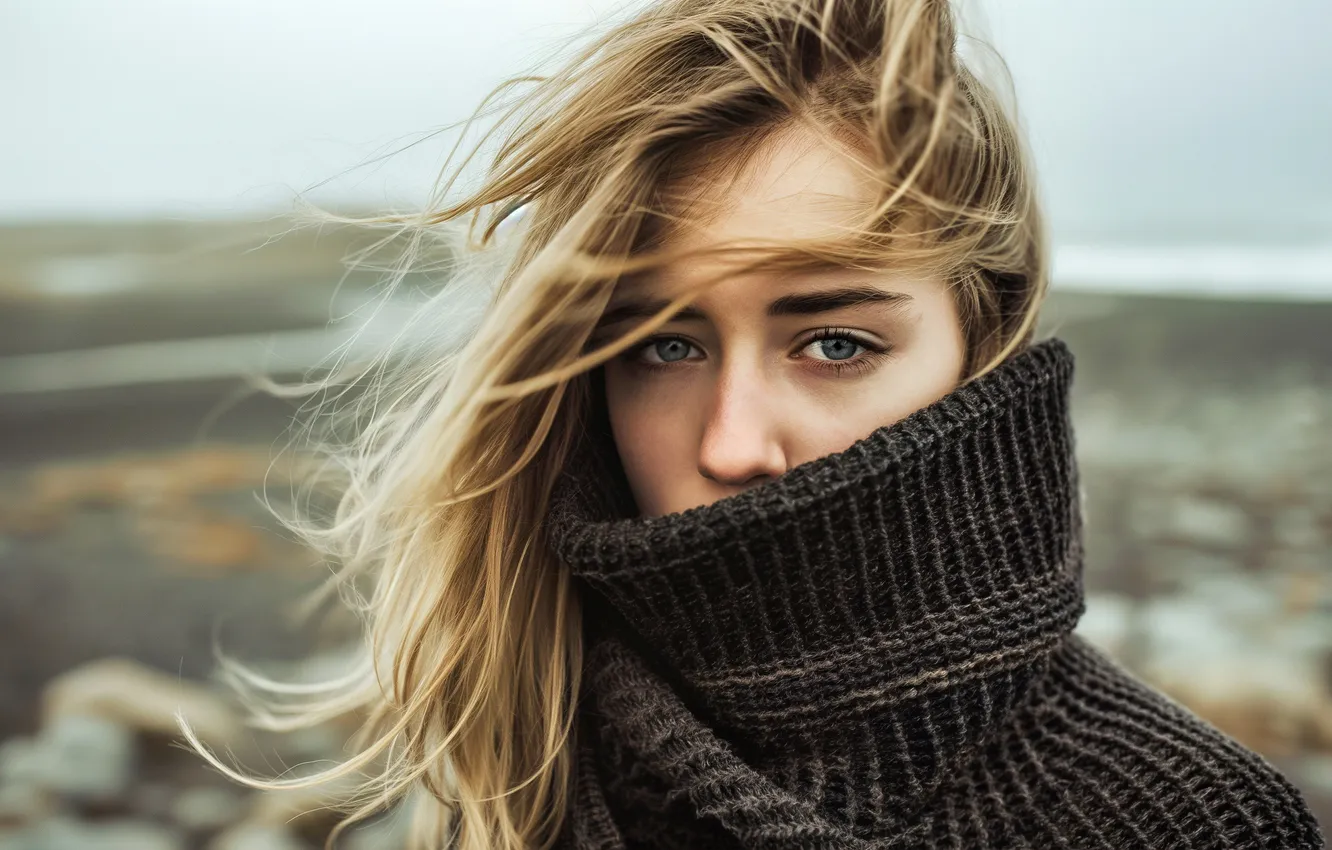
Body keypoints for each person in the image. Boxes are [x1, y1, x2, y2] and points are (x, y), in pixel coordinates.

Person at [185, 1, 1326, 848]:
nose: (732, 444)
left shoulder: (1191, 822)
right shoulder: (510, 769)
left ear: (981, 353)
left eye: (835, 343)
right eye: (662, 347)